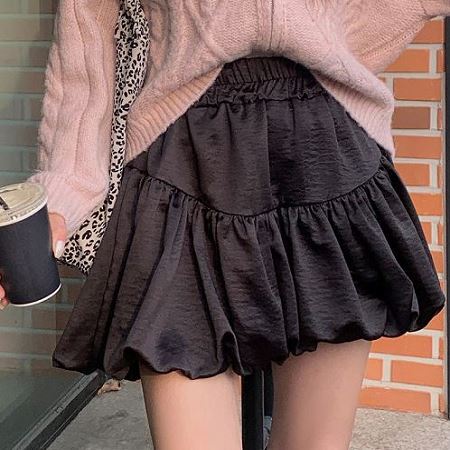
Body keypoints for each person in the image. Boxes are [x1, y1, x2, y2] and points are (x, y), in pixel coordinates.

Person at [2, 1, 450, 449]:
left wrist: (330, 42)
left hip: (324, 160)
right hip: (181, 170)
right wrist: (59, 197)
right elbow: (85, 49)